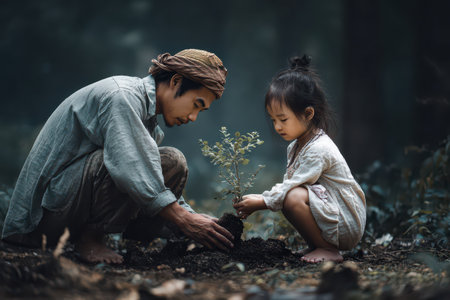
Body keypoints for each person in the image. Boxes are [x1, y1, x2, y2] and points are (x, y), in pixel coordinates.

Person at [1, 49, 235, 264]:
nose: (193, 117)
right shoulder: (123, 96)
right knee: (144, 159)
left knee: (168, 164)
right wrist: (183, 218)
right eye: (196, 104)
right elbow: (130, 166)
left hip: (65, 210)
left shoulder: (147, 118)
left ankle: (167, 235)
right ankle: (90, 240)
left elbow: (151, 174)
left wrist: (193, 219)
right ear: (175, 82)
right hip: (39, 221)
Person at [233, 55, 366, 263]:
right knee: (290, 197)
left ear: (308, 113)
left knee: (292, 197)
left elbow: (290, 188)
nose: (277, 127)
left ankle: (328, 250)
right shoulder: (295, 146)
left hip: (346, 221)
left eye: (283, 119)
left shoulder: (318, 149)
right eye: (273, 120)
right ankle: (317, 246)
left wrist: (262, 201)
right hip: (332, 215)